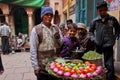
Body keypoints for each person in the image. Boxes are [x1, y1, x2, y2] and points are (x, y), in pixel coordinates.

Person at [89, 1, 120, 80]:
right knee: (97, 63)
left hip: (108, 45)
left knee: (109, 64)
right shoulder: (95, 21)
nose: (102, 12)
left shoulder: (112, 19)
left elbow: (118, 29)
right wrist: (94, 39)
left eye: (104, 10)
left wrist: (114, 38)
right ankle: (97, 77)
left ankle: (110, 78)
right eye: (100, 10)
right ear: (97, 11)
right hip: (98, 44)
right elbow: (91, 31)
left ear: (106, 9)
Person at [30, 6, 63, 80]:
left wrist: (58, 38)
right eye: (46, 15)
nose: (49, 17)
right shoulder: (36, 30)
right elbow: (33, 49)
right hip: (43, 67)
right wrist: (35, 67)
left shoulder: (56, 28)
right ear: (42, 16)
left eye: (51, 15)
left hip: (56, 65)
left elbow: (61, 44)